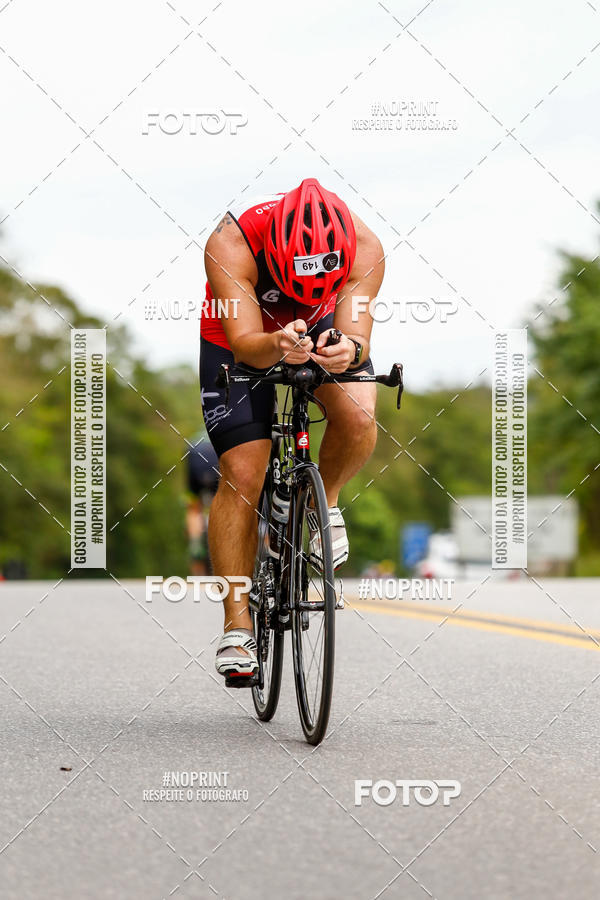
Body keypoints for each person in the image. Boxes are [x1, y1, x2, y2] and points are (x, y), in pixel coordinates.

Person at [200, 177, 384, 682]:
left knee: (359, 414)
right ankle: (237, 627)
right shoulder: (231, 242)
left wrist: (351, 350)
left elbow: (359, 337)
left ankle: (326, 502)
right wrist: (277, 343)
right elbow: (243, 343)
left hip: (324, 322)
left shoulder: (366, 246)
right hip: (243, 333)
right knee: (243, 467)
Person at [185, 432, 219, 576]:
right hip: (219, 454)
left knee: (194, 507)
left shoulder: (196, 438)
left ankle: (195, 545)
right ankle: (266, 544)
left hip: (195, 454)